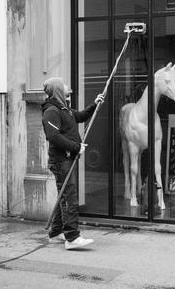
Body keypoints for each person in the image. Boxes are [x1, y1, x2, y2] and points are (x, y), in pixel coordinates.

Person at [41, 77, 104, 249]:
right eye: (64, 85)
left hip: (67, 159)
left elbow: (81, 116)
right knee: (70, 198)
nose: (68, 87)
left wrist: (94, 104)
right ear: (58, 90)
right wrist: (76, 147)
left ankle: (55, 233)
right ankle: (72, 238)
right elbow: (53, 137)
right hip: (61, 161)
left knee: (64, 197)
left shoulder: (64, 108)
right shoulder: (51, 111)